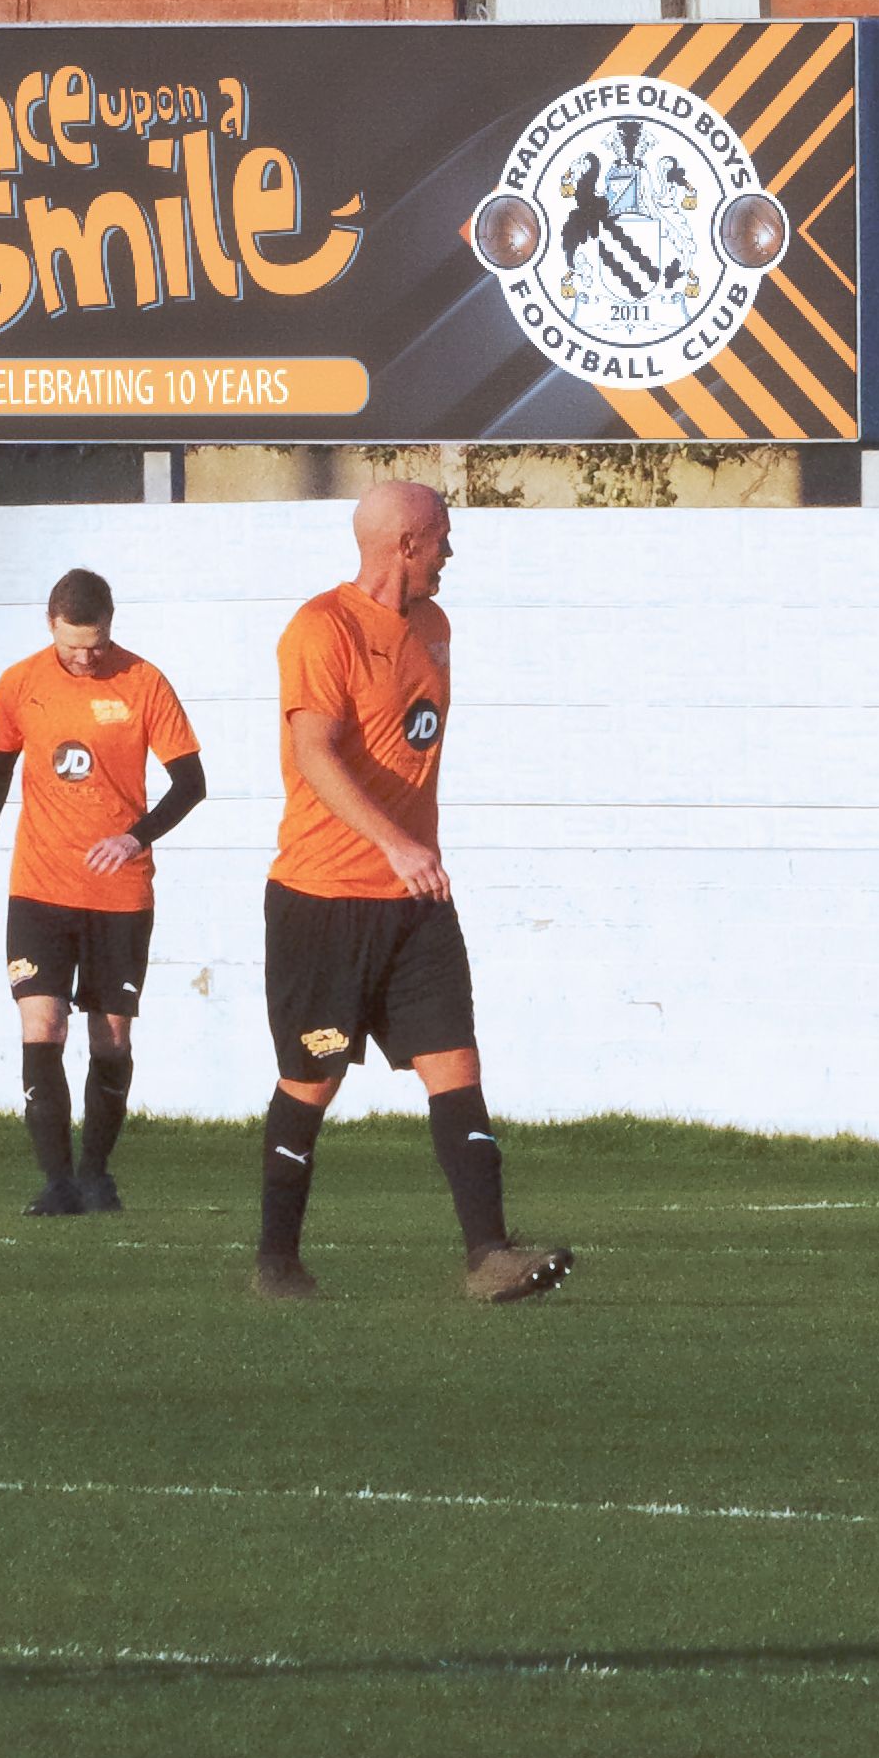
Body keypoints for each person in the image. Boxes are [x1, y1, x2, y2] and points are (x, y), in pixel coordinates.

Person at [252, 481, 569, 1303]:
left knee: (455, 1064)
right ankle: (277, 1264)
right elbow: (314, 753)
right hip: (323, 901)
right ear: (406, 544)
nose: (449, 554)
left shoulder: (435, 629)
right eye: (442, 539)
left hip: (416, 903)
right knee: (312, 1082)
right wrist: (393, 842)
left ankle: (489, 1257)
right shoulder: (321, 628)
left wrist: (410, 855)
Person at [0, 568, 207, 1215]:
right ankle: (57, 1182)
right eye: (73, 646)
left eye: (95, 645)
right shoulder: (20, 683)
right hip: (40, 887)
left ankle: (96, 1174)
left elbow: (191, 783)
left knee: (111, 1038)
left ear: (111, 625)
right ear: (51, 626)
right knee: (42, 1024)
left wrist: (134, 837)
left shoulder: (144, 682)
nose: (85, 657)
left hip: (118, 894)